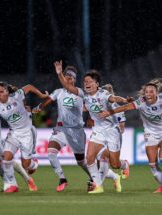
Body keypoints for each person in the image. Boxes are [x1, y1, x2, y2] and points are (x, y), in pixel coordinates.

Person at [99, 79, 162, 193]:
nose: (148, 94)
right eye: (146, 92)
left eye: (151, 91)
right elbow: (125, 107)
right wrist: (109, 112)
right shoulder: (141, 102)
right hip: (150, 133)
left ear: (156, 93)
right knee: (152, 164)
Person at [54, 60, 130, 194]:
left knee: (115, 164)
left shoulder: (103, 94)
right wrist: (60, 73)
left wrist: (124, 100)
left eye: (89, 81)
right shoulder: (83, 94)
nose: (86, 84)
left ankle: (124, 164)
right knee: (89, 157)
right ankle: (98, 186)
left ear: (97, 84)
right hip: (98, 131)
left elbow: (114, 98)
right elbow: (67, 86)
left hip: (112, 131)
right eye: (85, 82)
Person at [33, 65, 92, 192]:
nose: (68, 79)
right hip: (61, 129)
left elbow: (92, 106)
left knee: (81, 162)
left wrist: (91, 118)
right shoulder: (58, 92)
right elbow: (48, 100)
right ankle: (62, 179)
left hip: (76, 131)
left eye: (71, 78)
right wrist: (39, 107)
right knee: (50, 152)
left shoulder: (80, 93)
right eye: (66, 77)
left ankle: (93, 176)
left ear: (75, 80)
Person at [0, 82, 48, 193]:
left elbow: (30, 86)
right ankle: (12, 185)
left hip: (27, 133)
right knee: (6, 157)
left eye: (1, 91)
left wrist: (41, 95)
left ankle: (33, 164)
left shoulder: (17, 96)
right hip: (14, 134)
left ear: (7, 92)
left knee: (26, 165)